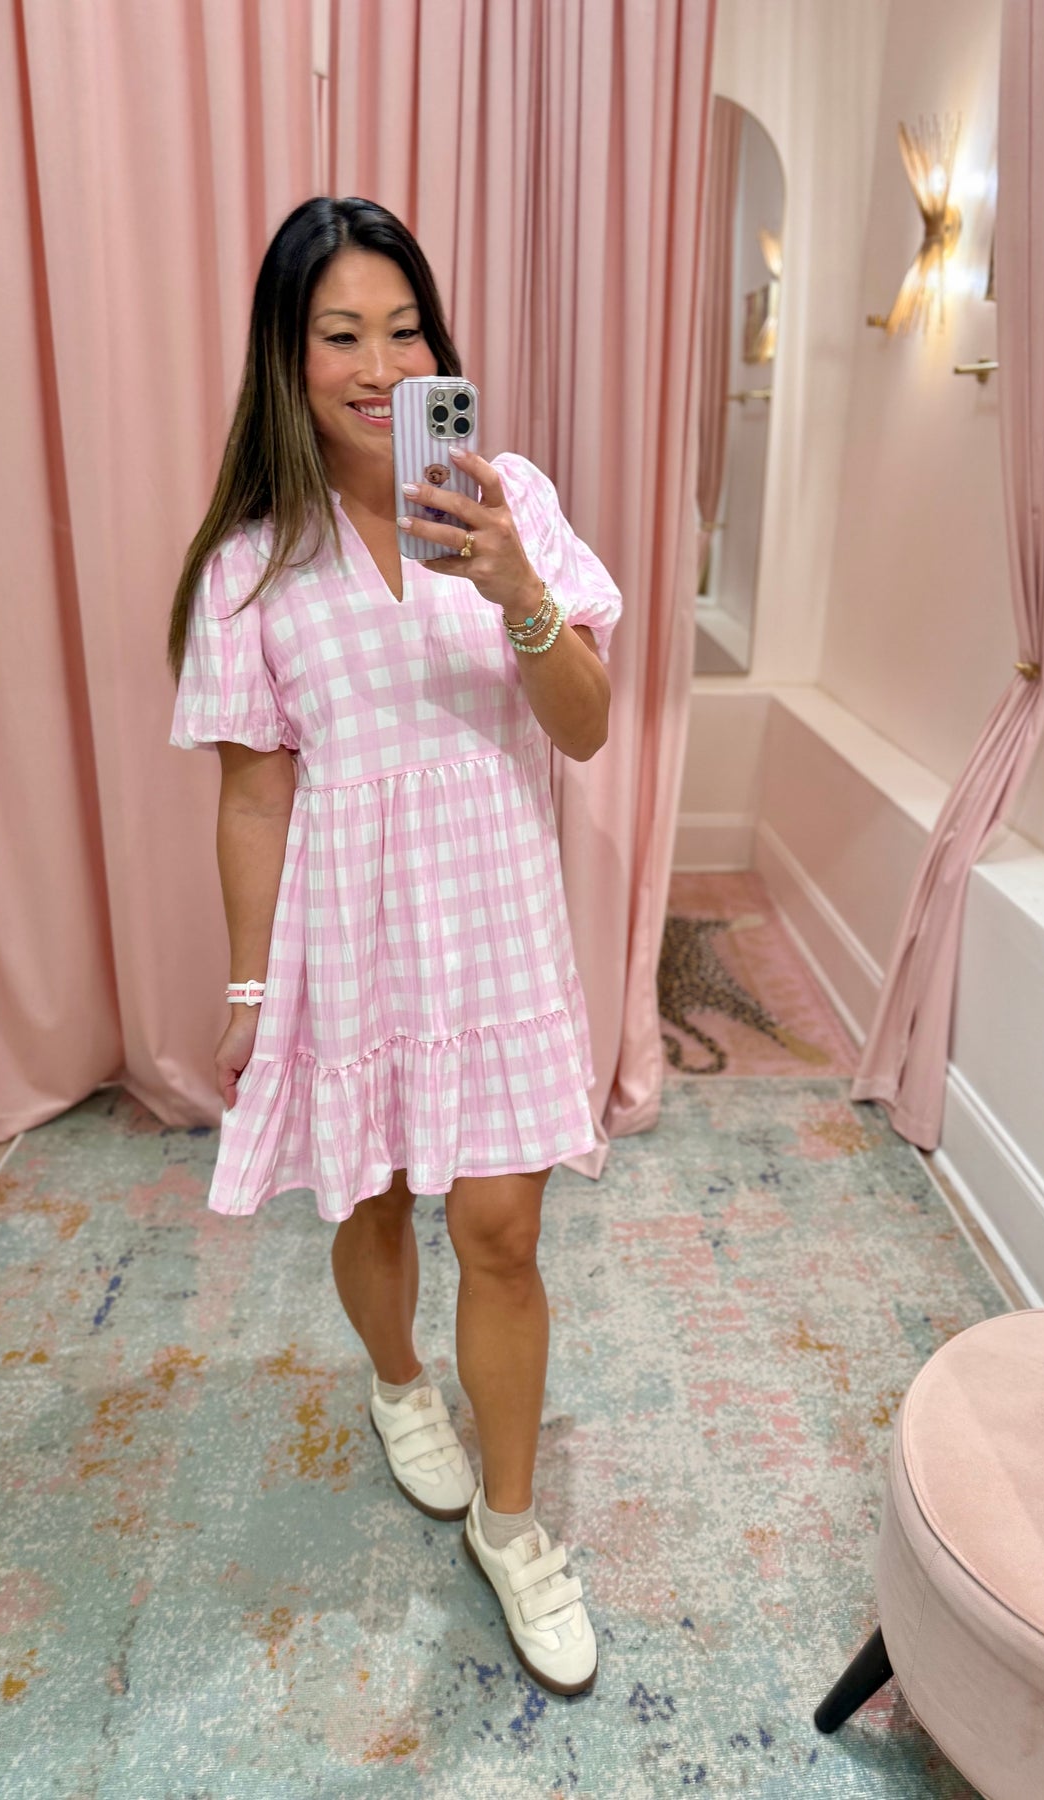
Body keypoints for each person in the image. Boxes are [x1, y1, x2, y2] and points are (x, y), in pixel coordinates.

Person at [166, 196, 621, 1697]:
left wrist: (516, 588)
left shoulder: (508, 498)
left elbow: (584, 729)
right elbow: (253, 793)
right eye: (342, 335)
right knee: (365, 1202)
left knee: (501, 1234)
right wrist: (249, 987)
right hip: (346, 928)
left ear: (437, 344)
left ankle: (513, 1525)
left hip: (494, 914)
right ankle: (398, 1383)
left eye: (405, 330)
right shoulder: (251, 563)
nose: (380, 367)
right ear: (288, 359)